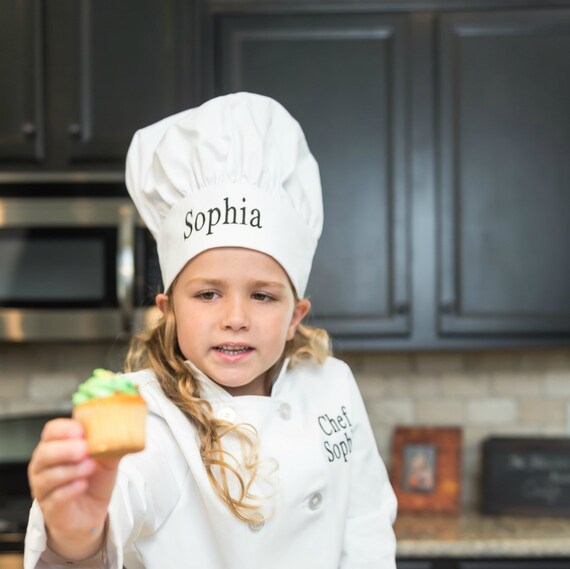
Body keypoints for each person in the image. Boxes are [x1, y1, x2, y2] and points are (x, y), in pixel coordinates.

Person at [24, 92, 397, 568]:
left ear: (294, 318)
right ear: (168, 310)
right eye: (207, 294)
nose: (235, 317)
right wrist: (77, 532)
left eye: (262, 295)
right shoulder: (151, 415)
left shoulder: (333, 385)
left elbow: (366, 525)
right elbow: (124, 493)